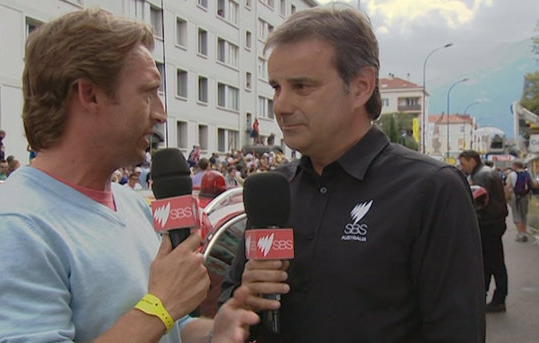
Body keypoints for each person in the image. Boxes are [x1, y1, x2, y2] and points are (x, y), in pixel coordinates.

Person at [0, 8, 258, 343]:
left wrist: (214, 333)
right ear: (89, 94)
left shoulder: (129, 204)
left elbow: (168, 329)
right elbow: (157, 314)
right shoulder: (12, 229)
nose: (161, 114)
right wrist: (161, 305)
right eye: (148, 92)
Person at [220, 5, 485, 342]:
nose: (281, 105)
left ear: (361, 86)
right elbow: (230, 303)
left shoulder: (430, 189)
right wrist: (244, 295)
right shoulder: (275, 191)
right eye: (276, 87)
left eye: (302, 87)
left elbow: (457, 330)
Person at [458, 150, 509, 313]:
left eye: (463, 162)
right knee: (490, 262)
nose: (461, 166)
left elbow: (477, 200)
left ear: (472, 160)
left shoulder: (481, 176)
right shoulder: (487, 173)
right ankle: (487, 296)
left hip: (487, 224)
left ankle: (497, 298)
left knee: (492, 262)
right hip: (494, 222)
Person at [505, 160, 537, 242]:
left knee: (517, 215)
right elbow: (534, 185)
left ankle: (520, 234)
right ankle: (525, 232)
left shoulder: (512, 174)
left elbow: (508, 187)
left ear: (515, 166)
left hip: (515, 196)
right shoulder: (527, 173)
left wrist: (507, 198)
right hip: (525, 196)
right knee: (524, 215)